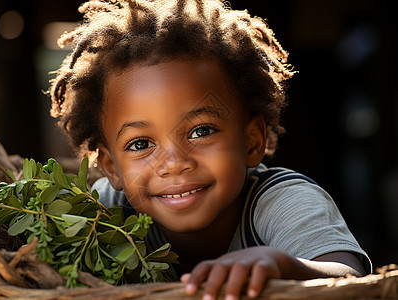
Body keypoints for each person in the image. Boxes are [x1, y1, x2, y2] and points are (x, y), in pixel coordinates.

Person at [49, 0, 371, 299]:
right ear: (110, 166)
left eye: (201, 131)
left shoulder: (281, 200)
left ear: (253, 141)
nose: (174, 163)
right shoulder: (105, 214)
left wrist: (284, 265)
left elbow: (351, 279)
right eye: (141, 144)